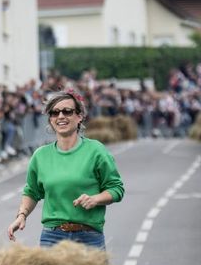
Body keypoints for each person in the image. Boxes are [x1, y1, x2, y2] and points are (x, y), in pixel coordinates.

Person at [7, 89, 124, 250]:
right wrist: (22, 215)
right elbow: (32, 192)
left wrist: (96, 199)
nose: (61, 116)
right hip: (52, 237)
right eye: (55, 113)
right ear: (50, 119)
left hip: (89, 236)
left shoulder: (96, 151)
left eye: (67, 111)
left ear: (79, 116)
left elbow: (116, 188)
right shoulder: (40, 156)